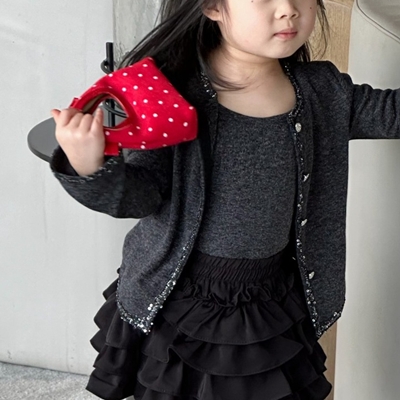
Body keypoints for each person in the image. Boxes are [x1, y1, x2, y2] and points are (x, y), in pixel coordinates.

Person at [49, 0, 400, 399]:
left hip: (271, 297)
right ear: (213, 7)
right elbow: (140, 197)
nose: (288, 9)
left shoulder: (323, 90)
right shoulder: (173, 92)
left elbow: (390, 113)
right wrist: (88, 165)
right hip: (183, 301)